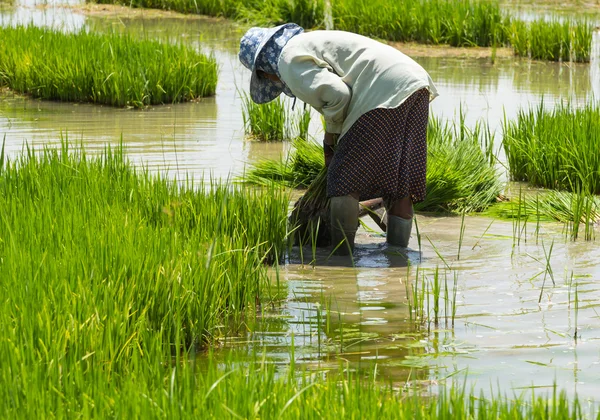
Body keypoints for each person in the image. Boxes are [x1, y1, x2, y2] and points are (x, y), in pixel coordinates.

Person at [239, 23, 438, 255]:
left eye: (265, 77)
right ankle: (397, 255)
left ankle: (341, 256)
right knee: (400, 182)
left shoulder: (288, 61)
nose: (271, 81)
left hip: (383, 90)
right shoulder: (305, 45)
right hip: (415, 83)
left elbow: (338, 95)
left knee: (343, 178)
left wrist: (331, 137)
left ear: (264, 69)